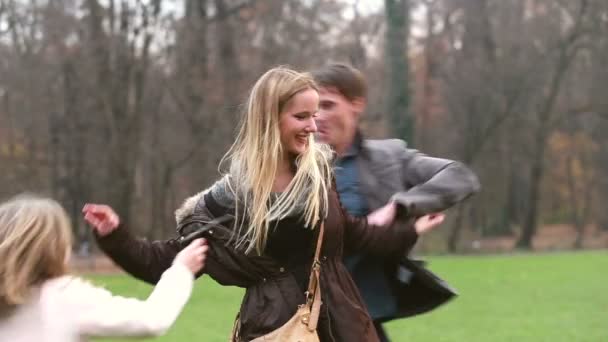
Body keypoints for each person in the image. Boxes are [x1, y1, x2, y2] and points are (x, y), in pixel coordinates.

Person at [84, 66, 444, 342]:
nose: (312, 126)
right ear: (270, 120)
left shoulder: (318, 175)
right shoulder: (229, 201)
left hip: (342, 325)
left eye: (315, 115)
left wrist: (407, 231)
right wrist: (114, 235)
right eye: (301, 117)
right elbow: (163, 262)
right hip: (275, 330)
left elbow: (351, 233)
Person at [312, 63, 480, 341]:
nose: (318, 117)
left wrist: (399, 205)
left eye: (328, 105)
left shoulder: (388, 158)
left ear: (357, 104)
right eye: (313, 107)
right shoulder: (290, 166)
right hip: (302, 318)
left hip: (360, 320)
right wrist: (405, 231)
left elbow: (459, 177)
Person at [0, 194, 208, 342]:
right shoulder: (64, 295)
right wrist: (181, 270)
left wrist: (115, 237)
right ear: (53, 248)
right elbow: (151, 320)